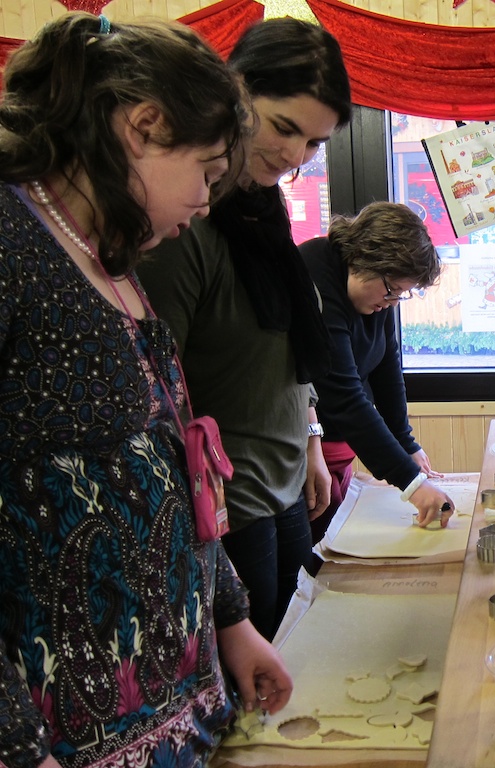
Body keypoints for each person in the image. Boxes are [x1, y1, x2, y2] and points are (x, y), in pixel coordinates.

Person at [0, 14, 291, 768]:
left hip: (180, 713)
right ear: (144, 125)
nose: (206, 200)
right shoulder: (9, 239)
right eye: (204, 169)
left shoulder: (109, 257)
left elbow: (173, 459)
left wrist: (230, 621)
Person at [137, 18, 349, 641]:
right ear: (235, 92)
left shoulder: (264, 210)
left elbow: (284, 347)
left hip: (282, 483)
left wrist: (310, 433)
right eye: (284, 127)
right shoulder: (185, 221)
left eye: (313, 143)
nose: (293, 156)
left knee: (291, 652)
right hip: (231, 506)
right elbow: (157, 387)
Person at [299, 202, 452, 543]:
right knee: (314, 558)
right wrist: (412, 484)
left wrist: (406, 442)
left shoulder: (375, 290)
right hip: (302, 450)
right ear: (367, 259)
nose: (393, 302)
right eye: (392, 291)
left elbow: (387, 367)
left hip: (339, 448)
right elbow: (345, 398)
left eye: (402, 294)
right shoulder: (315, 279)